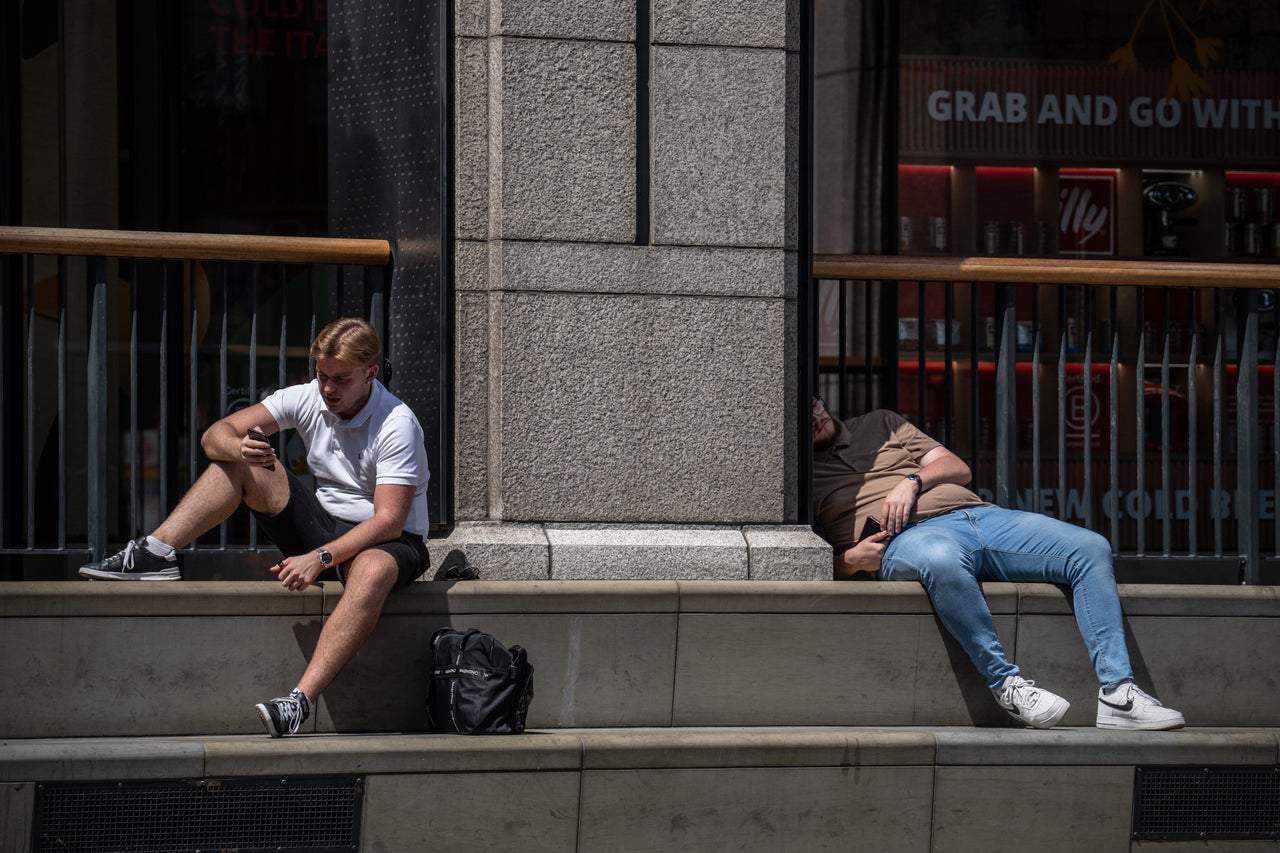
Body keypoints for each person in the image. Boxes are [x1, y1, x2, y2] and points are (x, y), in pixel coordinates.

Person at [79, 318, 432, 738]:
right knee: (239, 461)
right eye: (322, 375)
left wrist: (319, 558)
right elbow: (214, 435)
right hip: (327, 525)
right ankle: (156, 551)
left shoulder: (397, 423)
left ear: (371, 374)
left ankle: (297, 702)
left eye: (341, 379)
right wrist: (238, 446)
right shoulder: (306, 398)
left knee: (372, 568)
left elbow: (389, 520)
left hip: (390, 542)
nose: (328, 388)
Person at [811, 398, 1184, 731]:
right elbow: (800, 557)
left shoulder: (881, 423)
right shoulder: (801, 475)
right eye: (801, 412)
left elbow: (956, 468)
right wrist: (849, 560)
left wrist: (912, 481)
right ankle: (1006, 685)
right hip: (907, 540)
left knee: (1089, 547)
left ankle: (1119, 695)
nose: (814, 415)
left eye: (813, 403)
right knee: (942, 559)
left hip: (978, 516)